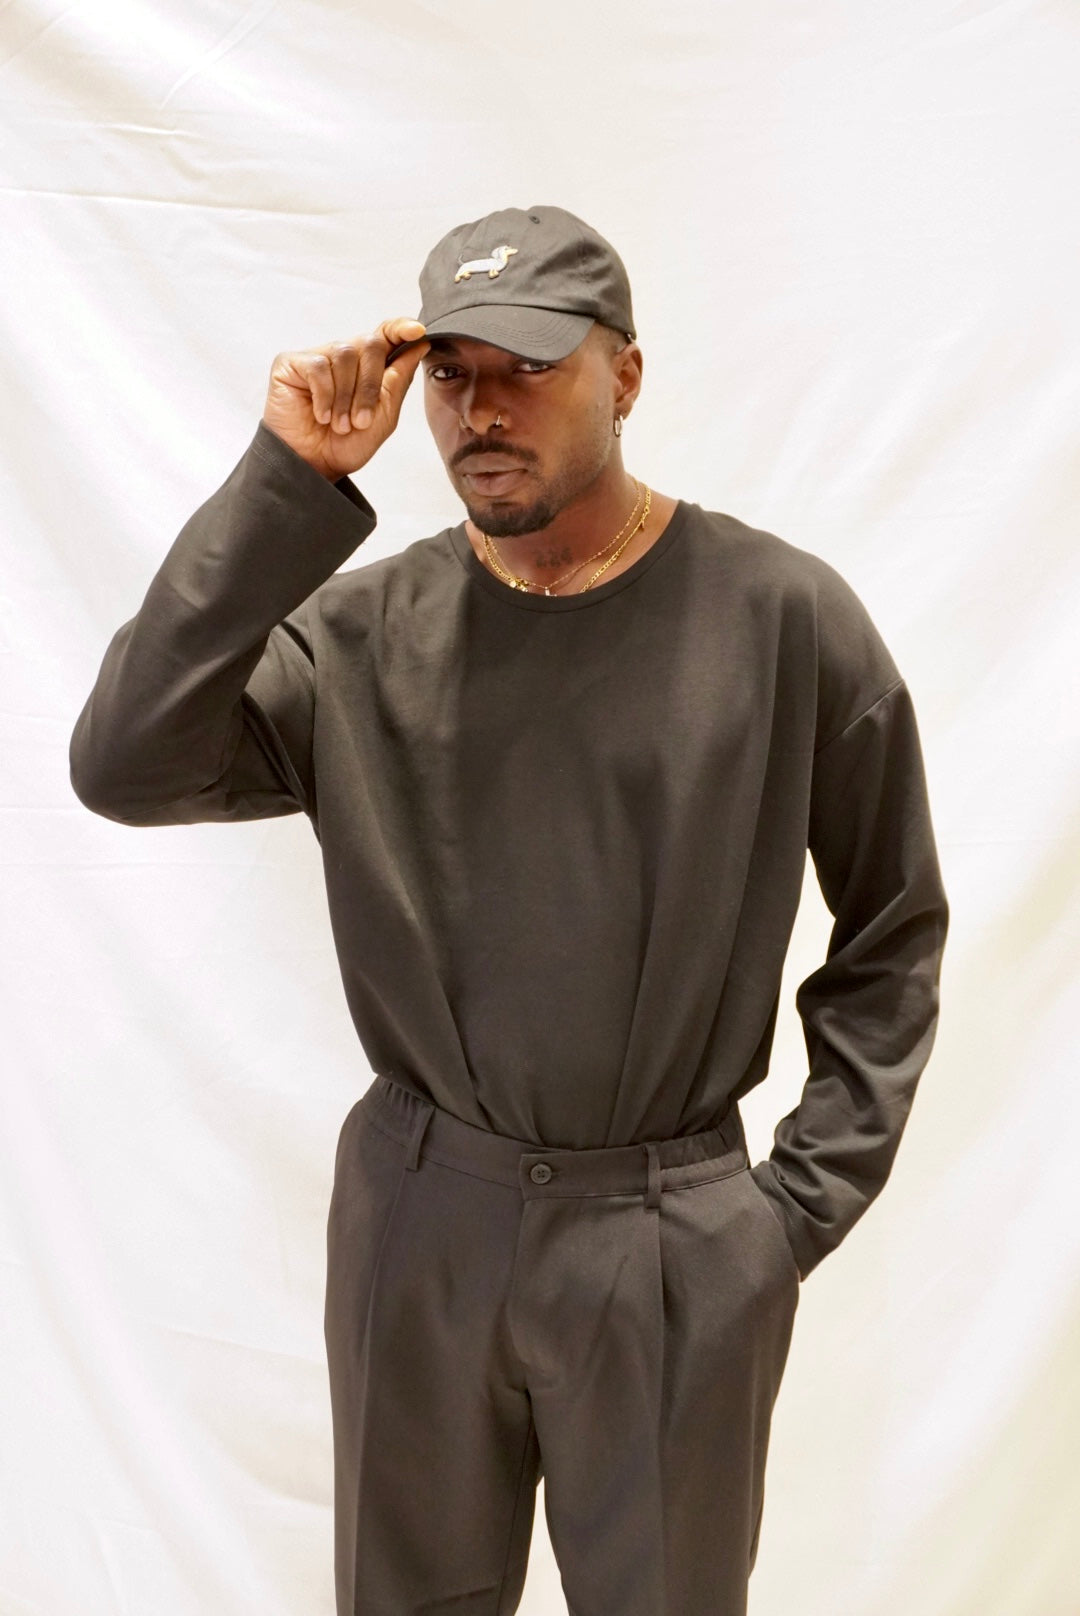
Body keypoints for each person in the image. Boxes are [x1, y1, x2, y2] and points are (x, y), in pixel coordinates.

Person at [69, 204, 949, 1616]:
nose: (483, 410)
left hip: (672, 1241)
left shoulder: (782, 619)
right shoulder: (358, 635)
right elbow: (124, 763)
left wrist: (781, 1216)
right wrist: (286, 485)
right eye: (452, 373)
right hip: (421, 1226)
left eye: (529, 368)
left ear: (626, 375)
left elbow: (892, 930)